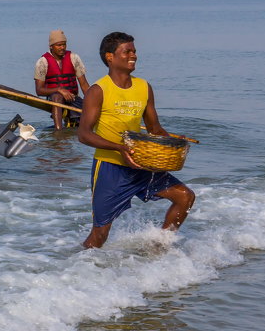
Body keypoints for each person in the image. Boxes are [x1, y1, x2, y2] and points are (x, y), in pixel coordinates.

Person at [76, 31, 195, 249]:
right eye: (127, 51)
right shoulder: (98, 90)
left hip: (141, 164)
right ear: (110, 57)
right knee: (100, 234)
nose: (133, 55)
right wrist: (119, 148)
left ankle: (159, 247)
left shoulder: (143, 87)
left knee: (185, 197)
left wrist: (174, 143)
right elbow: (84, 134)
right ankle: (77, 273)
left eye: (134, 51)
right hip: (110, 169)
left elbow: (154, 128)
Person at [34, 29, 90, 130]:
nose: (62, 48)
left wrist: (93, 103)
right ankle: (58, 131)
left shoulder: (74, 58)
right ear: (51, 46)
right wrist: (59, 89)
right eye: (58, 45)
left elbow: (84, 85)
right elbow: (39, 90)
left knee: (84, 122)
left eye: (64, 44)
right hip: (54, 98)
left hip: (72, 97)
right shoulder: (42, 62)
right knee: (57, 97)